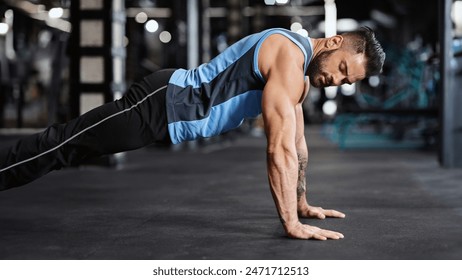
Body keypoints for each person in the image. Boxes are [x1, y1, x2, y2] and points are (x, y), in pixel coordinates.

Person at [0, 27, 385, 240]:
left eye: (345, 81)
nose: (335, 81)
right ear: (334, 43)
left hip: (166, 119)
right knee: (62, 146)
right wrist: (290, 223)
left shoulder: (300, 80)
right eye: (340, 69)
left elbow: (298, 146)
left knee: (67, 151)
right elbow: (278, 149)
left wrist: (302, 203)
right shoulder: (288, 54)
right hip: (159, 104)